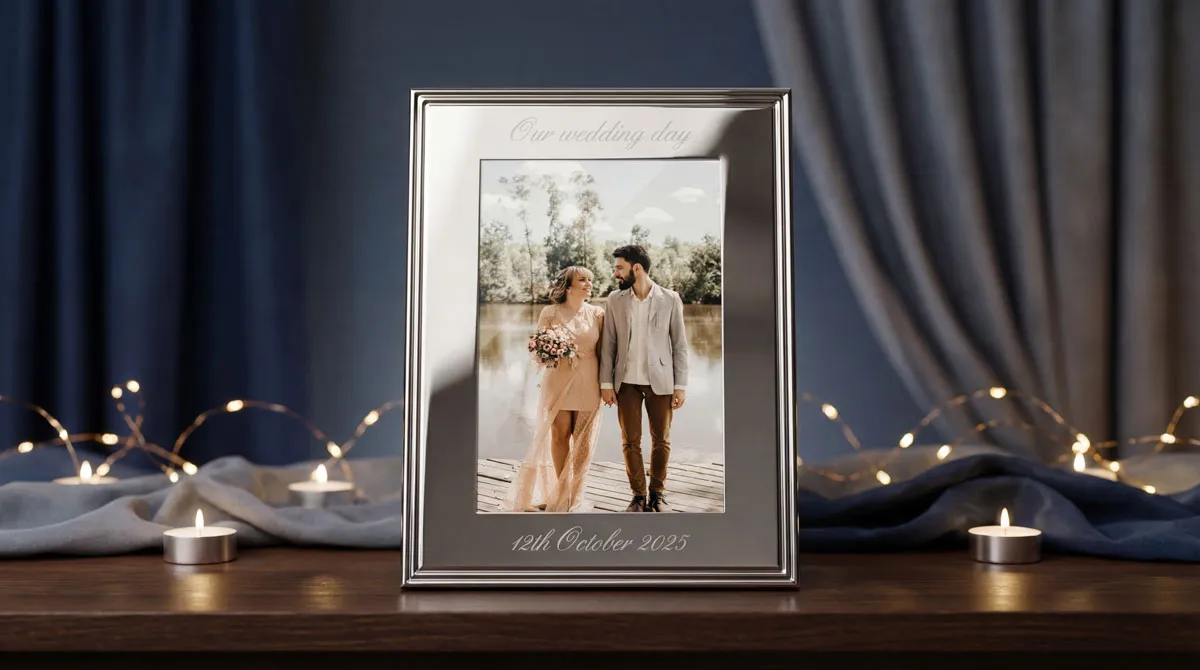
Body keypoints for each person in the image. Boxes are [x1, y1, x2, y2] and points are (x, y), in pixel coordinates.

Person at [503, 266, 605, 512]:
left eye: (590, 280)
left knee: (582, 442)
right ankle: (562, 492)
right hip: (558, 378)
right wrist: (551, 349)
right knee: (560, 435)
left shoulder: (598, 314)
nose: (588, 284)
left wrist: (608, 384)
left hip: (589, 378)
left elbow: (605, 352)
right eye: (582, 280)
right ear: (568, 286)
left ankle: (575, 496)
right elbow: (537, 349)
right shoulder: (550, 312)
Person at [599, 244, 689, 512]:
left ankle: (657, 494)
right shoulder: (614, 300)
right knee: (630, 441)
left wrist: (680, 385)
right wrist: (606, 383)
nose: (616, 273)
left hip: (660, 381)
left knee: (661, 440)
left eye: (619, 267)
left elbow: (680, 345)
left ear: (636, 268)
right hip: (625, 383)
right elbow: (609, 345)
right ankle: (638, 495)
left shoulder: (670, 298)